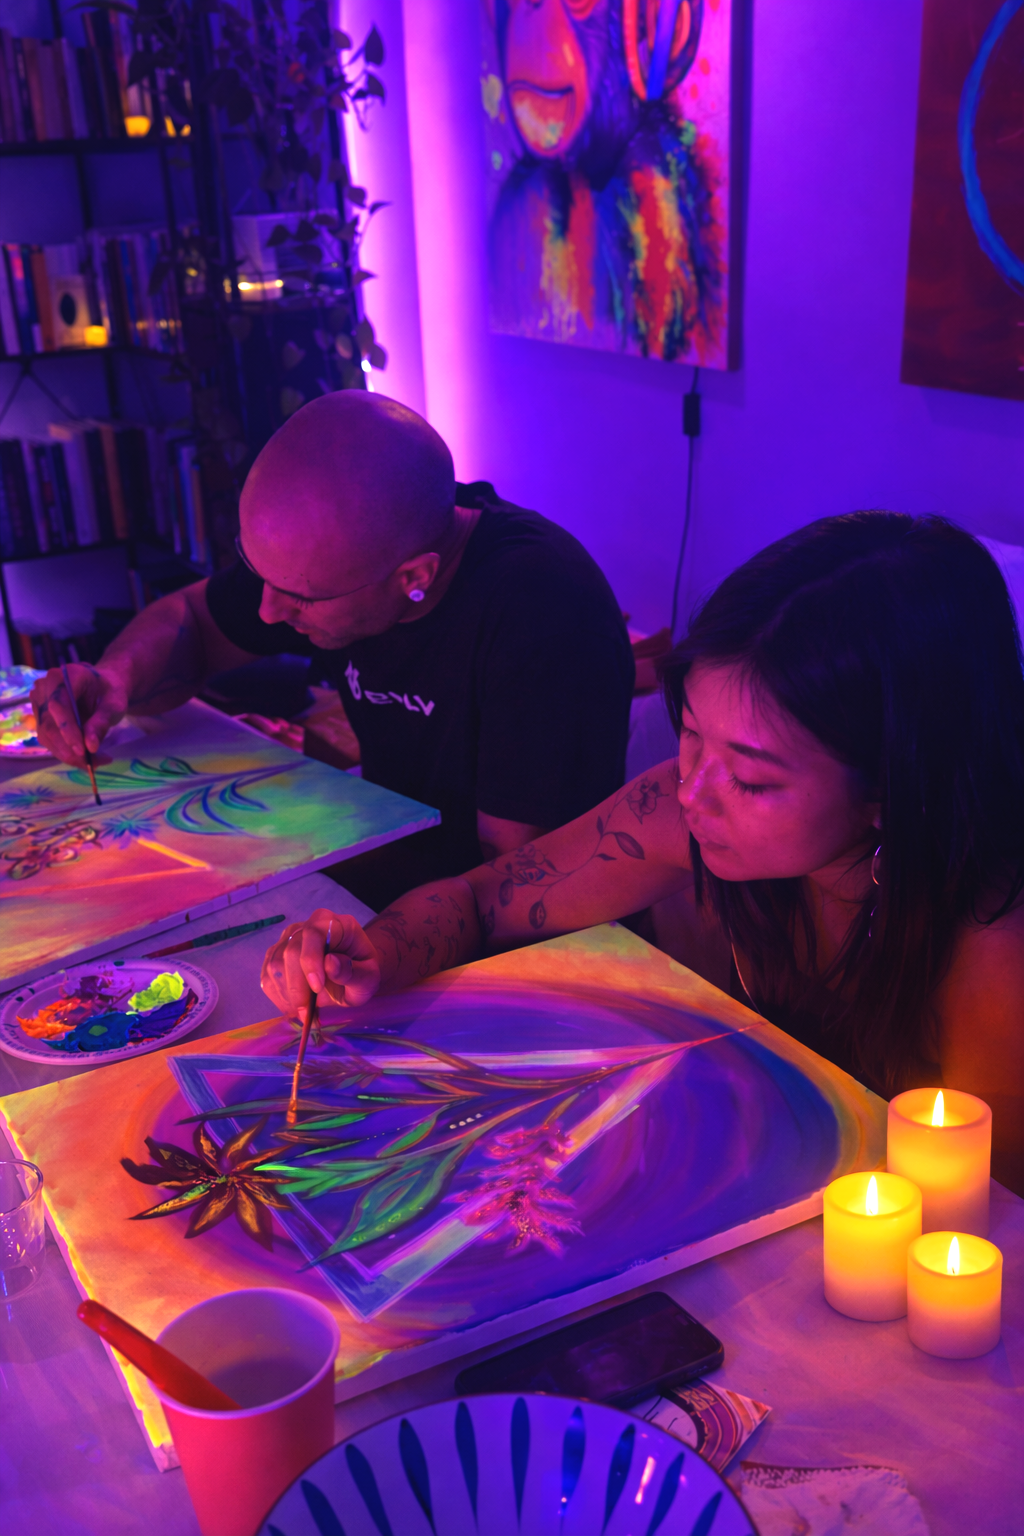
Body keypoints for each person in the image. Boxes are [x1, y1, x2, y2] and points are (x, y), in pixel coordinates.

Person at [260, 512, 1024, 1193]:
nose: (694, 793)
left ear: (890, 784)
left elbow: (992, 1226)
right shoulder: (678, 811)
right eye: (690, 734)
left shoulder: (992, 953)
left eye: (752, 779)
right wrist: (374, 953)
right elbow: (476, 900)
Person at [31, 392, 635, 909]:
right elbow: (189, 620)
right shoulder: (328, 549)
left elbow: (516, 882)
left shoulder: (545, 617)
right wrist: (115, 678)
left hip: (504, 929)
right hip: (386, 860)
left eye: (298, 597)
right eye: (259, 573)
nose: (268, 611)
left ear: (413, 576)